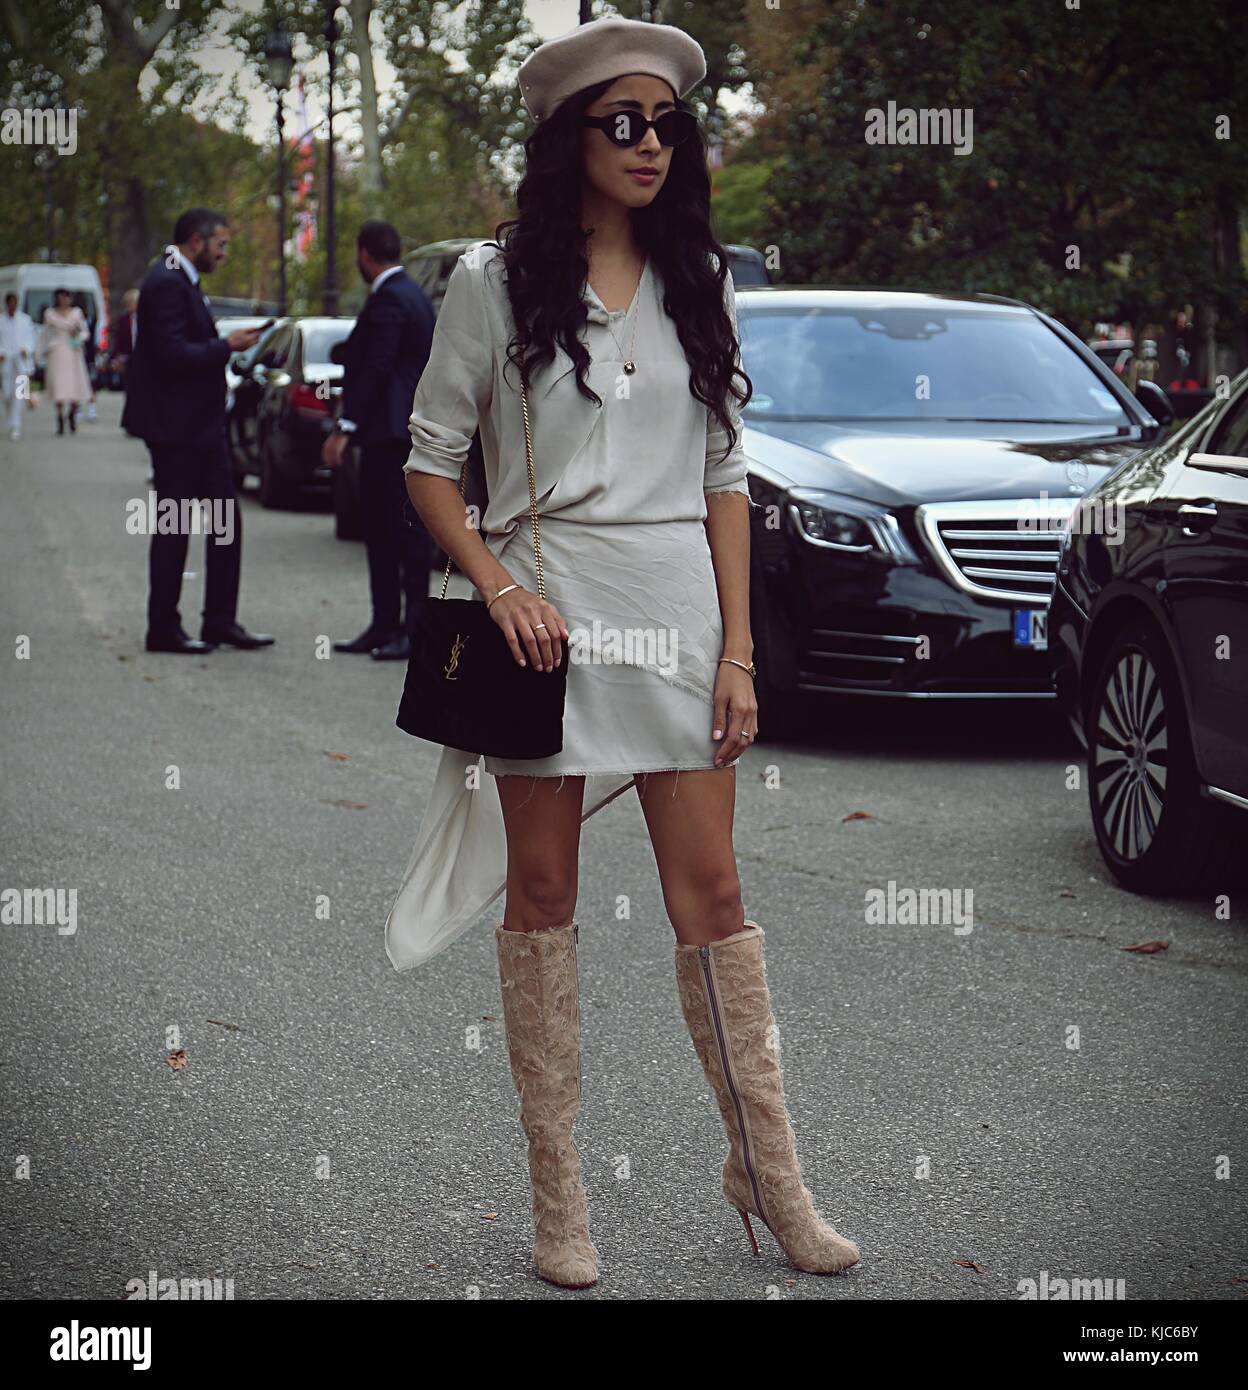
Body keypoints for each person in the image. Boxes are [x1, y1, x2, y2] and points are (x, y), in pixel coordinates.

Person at [386, 16, 860, 1289]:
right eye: (625, 123)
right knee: (542, 901)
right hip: (542, 615)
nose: (652, 143)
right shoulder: (493, 281)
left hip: (679, 613)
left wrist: (740, 651)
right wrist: (494, 588)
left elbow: (723, 473)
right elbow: (432, 467)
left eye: (668, 124)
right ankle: (559, 1198)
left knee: (714, 903)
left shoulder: (698, 274)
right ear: (571, 139)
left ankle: (768, 1175)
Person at [121, 208, 274, 654]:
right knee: (175, 526)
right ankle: (163, 628)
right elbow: (171, 354)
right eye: (221, 244)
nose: (224, 254)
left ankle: (218, 622)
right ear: (195, 240)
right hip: (177, 430)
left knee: (225, 521)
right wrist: (225, 345)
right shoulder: (166, 281)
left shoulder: (177, 277)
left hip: (198, 428)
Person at [322, 220, 436, 661]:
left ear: (365, 254)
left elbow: (378, 366)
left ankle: (406, 630)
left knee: (397, 535)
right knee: (392, 533)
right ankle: (387, 625)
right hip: (403, 431)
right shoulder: (413, 295)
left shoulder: (389, 298)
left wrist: (345, 428)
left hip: (389, 435)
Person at [37, 289, 91, 435]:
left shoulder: (76, 313)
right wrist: (38, 354)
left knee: (74, 386)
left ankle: (72, 413)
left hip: (73, 351)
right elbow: (44, 335)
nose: (63, 300)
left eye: (66, 297)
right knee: (59, 386)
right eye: (60, 297)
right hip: (57, 351)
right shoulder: (50, 314)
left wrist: (78, 336)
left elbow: (85, 332)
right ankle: (60, 418)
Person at [0, 292, 36, 440]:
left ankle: (16, 425)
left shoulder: (25, 320)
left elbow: (31, 338)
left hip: (22, 363)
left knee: (19, 396)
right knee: (8, 395)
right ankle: (11, 421)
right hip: (6, 363)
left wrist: (26, 349)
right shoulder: (1, 321)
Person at [110, 289, 139, 393]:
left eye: (133, 303)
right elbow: (118, 340)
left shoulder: (146, 319)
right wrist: (114, 358)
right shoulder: (123, 320)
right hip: (128, 358)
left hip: (143, 357)